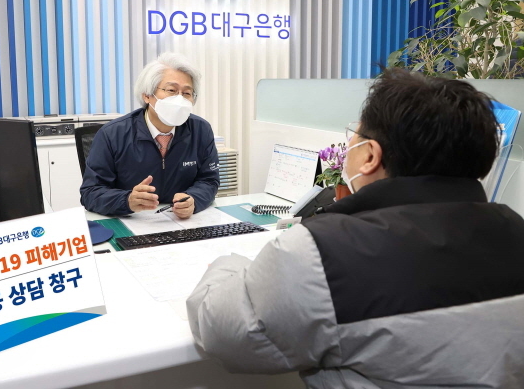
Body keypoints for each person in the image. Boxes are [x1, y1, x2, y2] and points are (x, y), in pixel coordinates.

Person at [186, 68, 524, 388]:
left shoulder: (325, 251)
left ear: (370, 156)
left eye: (355, 136)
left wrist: (226, 264)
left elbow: (223, 331)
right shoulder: (514, 229)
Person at [80, 52, 220, 218]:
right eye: (171, 90)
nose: (180, 99)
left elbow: (209, 181)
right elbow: (91, 192)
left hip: (181, 221)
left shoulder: (201, 130)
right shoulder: (112, 134)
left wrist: (194, 199)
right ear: (147, 95)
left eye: (187, 93)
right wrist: (126, 200)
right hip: (131, 221)